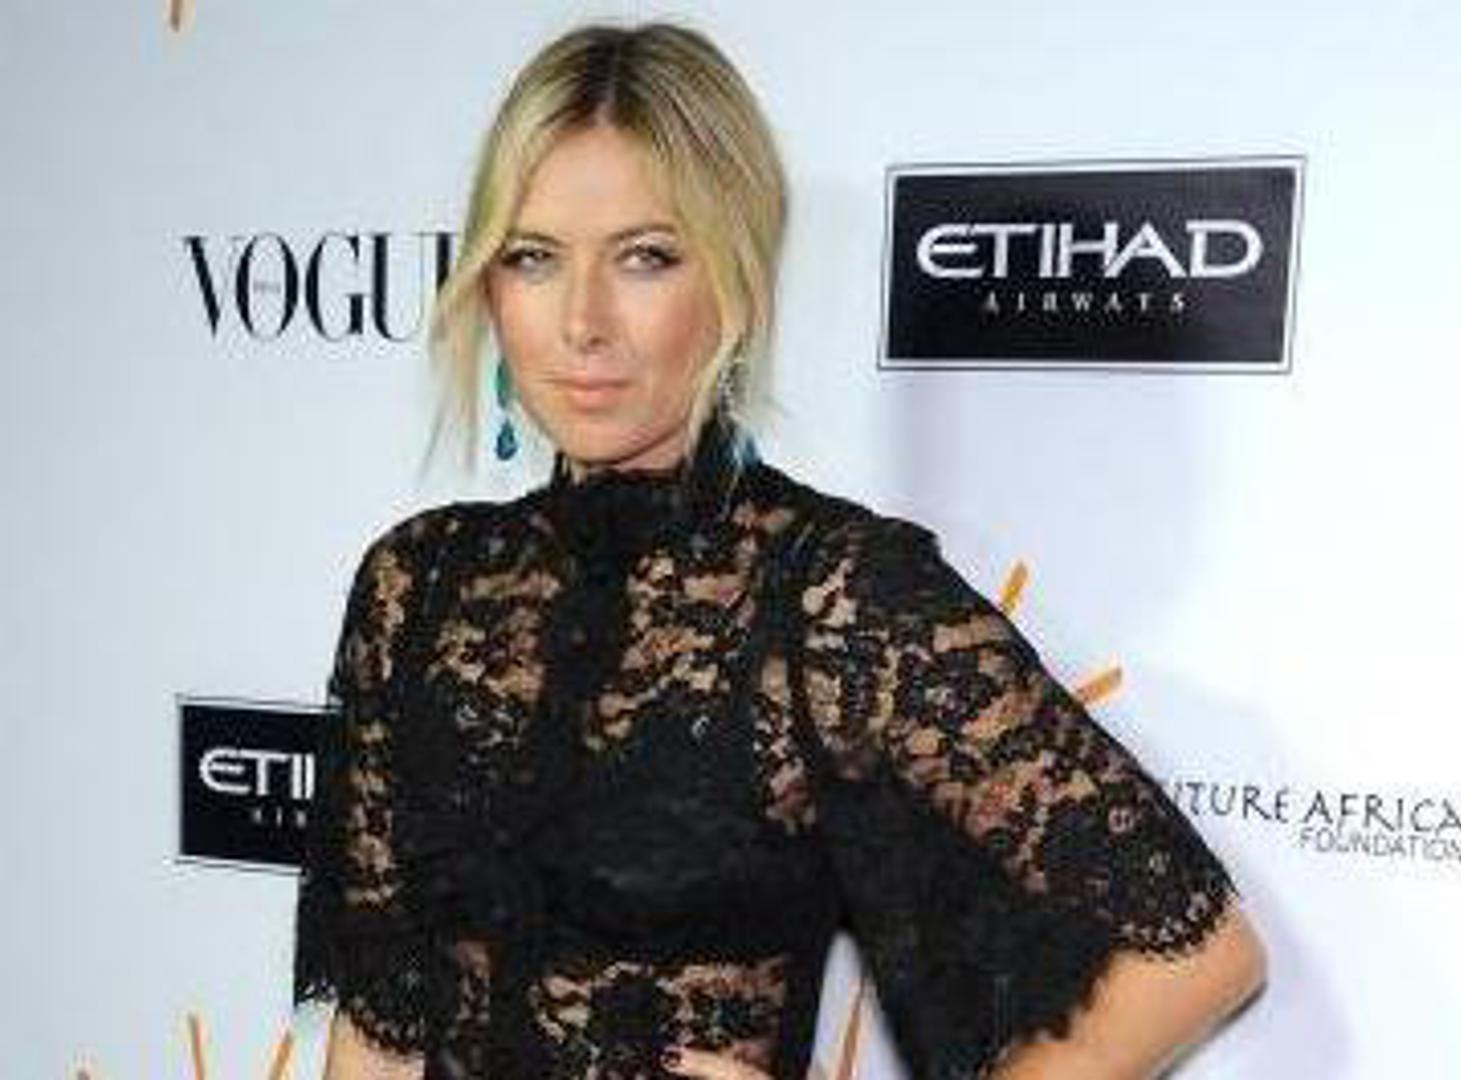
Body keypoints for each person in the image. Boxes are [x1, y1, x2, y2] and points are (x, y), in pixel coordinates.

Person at [292, 19, 1266, 1080]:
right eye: (533, 257)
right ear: (487, 281)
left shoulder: (829, 595)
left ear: (737, 280)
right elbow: (380, 1027)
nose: (582, 321)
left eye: (645, 257)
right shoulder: (418, 584)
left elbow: (1197, 955)